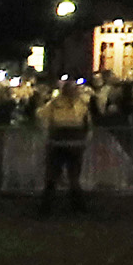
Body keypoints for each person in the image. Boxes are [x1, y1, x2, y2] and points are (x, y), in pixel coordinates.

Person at [41, 75, 95, 215]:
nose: (73, 92)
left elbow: (88, 125)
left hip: (72, 146)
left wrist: (86, 139)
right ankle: (48, 207)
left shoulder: (80, 105)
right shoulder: (54, 104)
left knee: (72, 178)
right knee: (54, 177)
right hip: (59, 145)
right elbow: (44, 121)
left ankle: (74, 206)